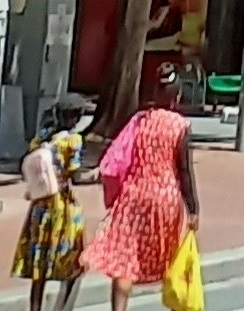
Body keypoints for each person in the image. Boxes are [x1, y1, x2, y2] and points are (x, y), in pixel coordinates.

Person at [93, 105, 200, 309]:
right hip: (165, 199)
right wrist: (193, 208)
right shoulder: (180, 125)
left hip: (134, 195)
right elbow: (184, 170)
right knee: (173, 262)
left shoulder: (140, 121)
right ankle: (177, 304)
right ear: (176, 97)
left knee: (124, 262)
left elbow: (123, 155)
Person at [12, 111, 86, 311]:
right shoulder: (73, 141)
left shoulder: (41, 139)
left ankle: (35, 308)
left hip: (40, 206)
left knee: (40, 265)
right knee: (73, 260)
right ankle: (61, 308)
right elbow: (75, 174)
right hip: (63, 206)